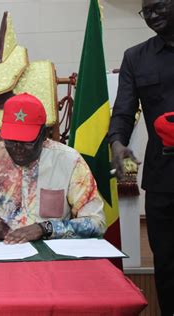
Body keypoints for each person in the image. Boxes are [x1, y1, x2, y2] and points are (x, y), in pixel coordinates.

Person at [0, 93, 106, 244]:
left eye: (26, 141)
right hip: (0, 252)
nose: (17, 148)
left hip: (53, 257)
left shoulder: (69, 161)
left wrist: (44, 228)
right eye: (10, 140)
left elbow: (97, 223)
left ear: (44, 135)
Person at [108, 0, 174, 313]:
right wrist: (117, 144)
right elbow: (123, 111)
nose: (152, 15)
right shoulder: (136, 57)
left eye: (159, 7)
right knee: (167, 263)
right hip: (163, 180)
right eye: (146, 11)